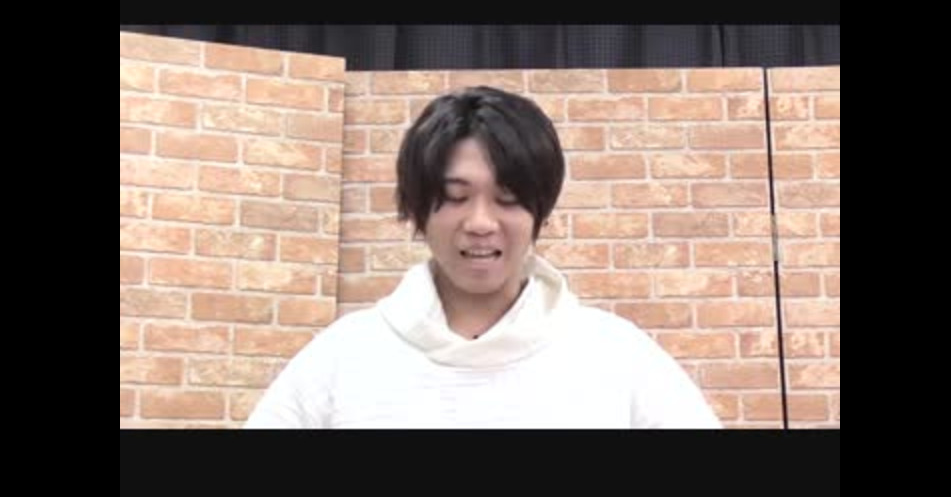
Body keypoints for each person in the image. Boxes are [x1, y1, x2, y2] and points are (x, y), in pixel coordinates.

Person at [245, 86, 721, 429]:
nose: (480, 222)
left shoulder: (616, 355)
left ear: (540, 211)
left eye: (508, 198)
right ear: (418, 208)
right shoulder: (345, 355)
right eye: (455, 197)